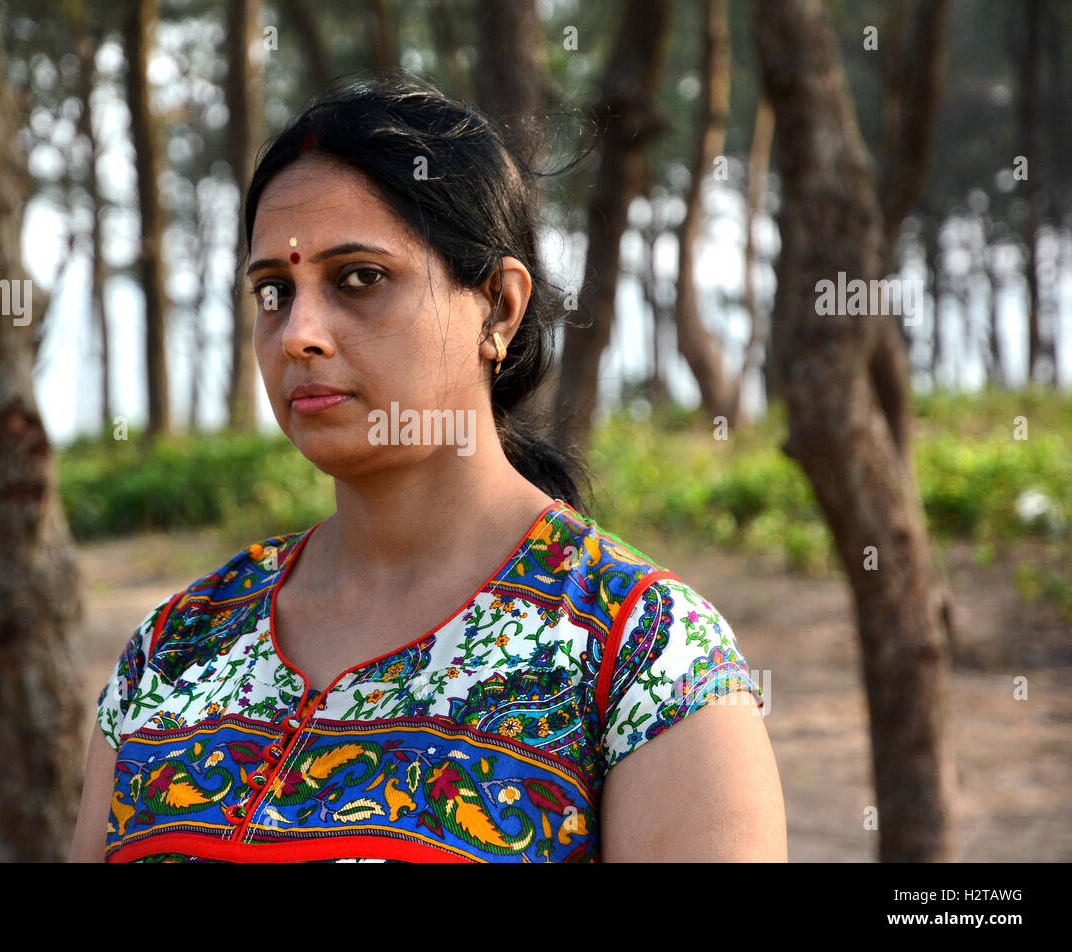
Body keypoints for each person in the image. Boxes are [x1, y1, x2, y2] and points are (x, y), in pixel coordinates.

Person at [70, 71, 786, 863]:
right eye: (274, 290)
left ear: (498, 308)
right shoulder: (175, 649)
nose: (299, 332)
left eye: (359, 279)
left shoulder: (645, 659)